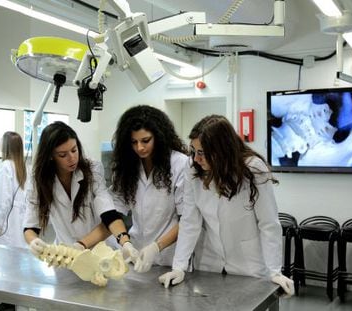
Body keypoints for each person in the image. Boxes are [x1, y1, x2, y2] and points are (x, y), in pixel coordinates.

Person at [158, 115, 294, 297]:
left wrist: (275, 271)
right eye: (193, 151)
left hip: (247, 263)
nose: (196, 159)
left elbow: (268, 223)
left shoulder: (253, 169)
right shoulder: (193, 169)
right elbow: (190, 221)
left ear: (222, 149)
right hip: (209, 260)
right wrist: (179, 267)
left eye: (202, 152)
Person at [23, 121, 130, 257]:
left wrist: (81, 244)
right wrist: (33, 242)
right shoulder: (38, 179)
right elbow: (30, 225)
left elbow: (108, 214)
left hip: (100, 252)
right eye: (62, 155)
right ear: (50, 156)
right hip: (66, 254)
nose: (72, 158)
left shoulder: (93, 169)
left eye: (74, 150)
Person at [110, 105, 188, 273]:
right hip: (135, 254)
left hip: (170, 257)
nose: (140, 147)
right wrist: (125, 242)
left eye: (146, 140)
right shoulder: (126, 168)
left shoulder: (180, 164)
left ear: (159, 137)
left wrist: (155, 247)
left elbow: (188, 219)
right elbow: (114, 213)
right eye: (134, 142)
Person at [0, 131, 28, 248]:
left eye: (1, 140)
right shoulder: (20, 167)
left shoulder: (5, 167)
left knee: (4, 257)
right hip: (17, 222)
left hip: (6, 225)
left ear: (7, 146)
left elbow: (3, 200)